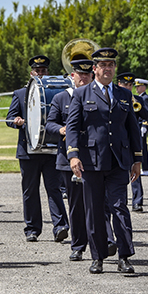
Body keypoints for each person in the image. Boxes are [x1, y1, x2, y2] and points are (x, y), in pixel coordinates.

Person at [65, 48, 142, 274]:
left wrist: (137, 159)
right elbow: (72, 126)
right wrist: (73, 155)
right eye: (103, 65)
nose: (107, 69)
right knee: (95, 211)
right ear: (95, 69)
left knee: (120, 208)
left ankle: (124, 256)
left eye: (111, 65)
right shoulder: (81, 94)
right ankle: (97, 257)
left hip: (118, 161)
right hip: (91, 161)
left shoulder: (124, 94)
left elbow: (132, 128)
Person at [6, 55, 69, 243]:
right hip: (28, 151)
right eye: (37, 71)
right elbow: (10, 118)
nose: (41, 73)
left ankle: (60, 226)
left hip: (50, 149)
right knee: (30, 191)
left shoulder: (57, 93)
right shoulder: (20, 93)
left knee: (54, 189)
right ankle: (32, 229)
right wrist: (16, 121)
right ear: (31, 73)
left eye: (43, 71)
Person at [45, 58, 95, 261]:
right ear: (72, 76)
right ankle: (78, 245)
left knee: (99, 203)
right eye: (80, 74)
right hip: (69, 158)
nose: (83, 78)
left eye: (87, 74)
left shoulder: (98, 96)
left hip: (94, 157)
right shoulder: (61, 98)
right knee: (76, 205)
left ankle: (102, 241)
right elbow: (50, 124)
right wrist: (61, 129)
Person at [117, 72, 148, 212]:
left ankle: (137, 201)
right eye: (125, 85)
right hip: (120, 139)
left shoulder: (138, 99)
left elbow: (146, 115)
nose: (128, 87)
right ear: (119, 84)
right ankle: (122, 200)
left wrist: (137, 104)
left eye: (130, 85)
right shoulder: (115, 97)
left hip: (132, 140)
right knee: (119, 173)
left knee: (135, 170)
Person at [134, 78, 148, 177]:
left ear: (144, 87)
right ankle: (144, 168)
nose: (136, 88)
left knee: (142, 148)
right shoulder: (140, 98)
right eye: (136, 86)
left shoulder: (145, 98)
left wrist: (145, 125)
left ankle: (146, 168)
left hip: (141, 126)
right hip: (138, 125)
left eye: (139, 86)